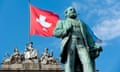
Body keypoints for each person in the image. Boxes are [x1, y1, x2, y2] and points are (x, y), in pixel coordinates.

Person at [53, 6, 102, 72]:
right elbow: (56, 33)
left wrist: (93, 46)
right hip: (70, 43)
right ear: (66, 14)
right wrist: (65, 30)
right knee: (70, 61)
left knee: (87, 61)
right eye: (71, 10)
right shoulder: (62, 22)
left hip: (82, 44)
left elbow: (88, 36)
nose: (73, 11)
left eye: (74, 10)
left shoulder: (82, 23)